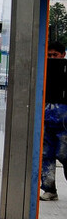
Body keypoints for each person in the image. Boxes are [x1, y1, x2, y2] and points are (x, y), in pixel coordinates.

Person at [41, 41, 67, 201]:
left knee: (64, 154)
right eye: (49, 55)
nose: (52, 58)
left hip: (64, 122)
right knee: (46, 154)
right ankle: (49, 189)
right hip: (46, 119)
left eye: (55, 55)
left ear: (63, 55)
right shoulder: (43, 70)